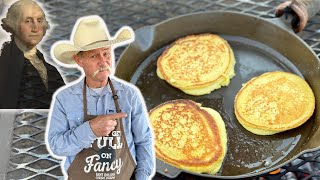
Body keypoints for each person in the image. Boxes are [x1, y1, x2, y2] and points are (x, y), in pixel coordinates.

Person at [46, 15, 155, 180]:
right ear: (79, 59)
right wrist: (90, 130)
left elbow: (144, 141)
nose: (103, 61)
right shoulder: (65, 98)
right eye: (94, 56)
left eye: (106, 53)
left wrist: (142, 177)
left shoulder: (129, 95)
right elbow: (56, 146)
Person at [0, 0, 65, 109]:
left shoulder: (51, 71)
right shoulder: (5, 67)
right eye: (28, 21)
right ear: (13, 25)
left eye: (39, 20)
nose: (35, 28)